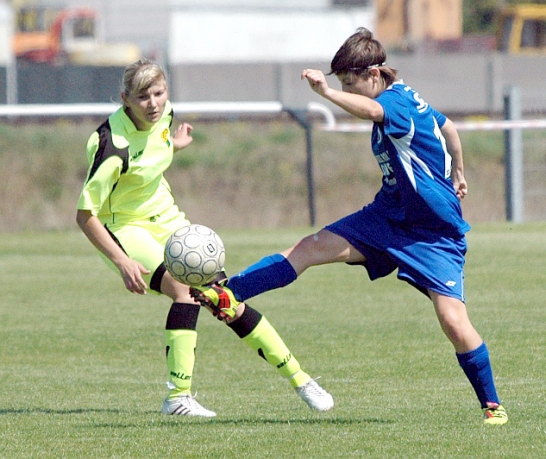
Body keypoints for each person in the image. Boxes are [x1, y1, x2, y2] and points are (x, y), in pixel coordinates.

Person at [190, 28, 508, 425]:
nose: (348, 92)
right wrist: (459, 171)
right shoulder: (407, 95)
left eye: (350, 84)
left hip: (433, 233)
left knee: (454, 324)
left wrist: (325, 93)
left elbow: (377, 113)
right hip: (386, 216)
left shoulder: (394, 102)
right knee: (311, 246)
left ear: (373, 75)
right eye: (342, 85)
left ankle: (492, 405)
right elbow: (449, 129)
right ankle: (227, 293)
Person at [76, 58, 333, 417]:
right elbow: (85, 214)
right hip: (123, 227)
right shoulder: (110, 145)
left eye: (159, 93)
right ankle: (177, 397)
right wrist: (121, 260)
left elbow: (151, 154)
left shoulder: (163, 117)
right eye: (143, 97)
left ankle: (301, 379)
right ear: (125, 99)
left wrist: (175, 145)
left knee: (225, 297)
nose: (153, 103)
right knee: (184, 292)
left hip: (167, 219)